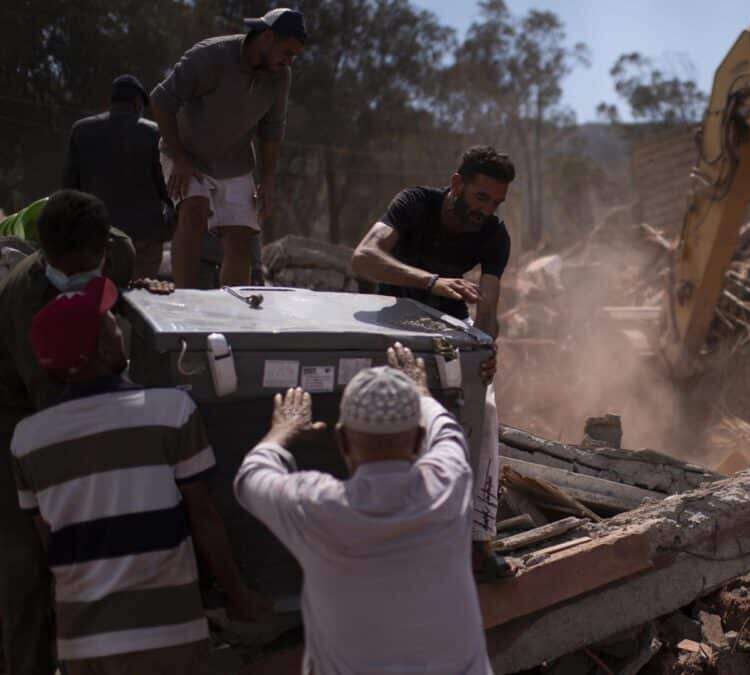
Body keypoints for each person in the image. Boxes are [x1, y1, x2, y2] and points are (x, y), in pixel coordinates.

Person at [9, 276, 264, 674]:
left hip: (83, 644)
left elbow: (51, 546)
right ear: (101, 346)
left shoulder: (27, 442)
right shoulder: (170, 412)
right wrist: (237, 594)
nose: (118, 325)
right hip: (169, 636)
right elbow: (205, 519)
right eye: (109, 320)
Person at [234, 344, 491, 674]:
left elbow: (250, 477)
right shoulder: (448, 483)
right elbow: (448, 432)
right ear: (418, 441)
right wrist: (421, 391)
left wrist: (283, 429)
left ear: (341, 442)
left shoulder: (315, 505)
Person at [0, 189, 147, 675]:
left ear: (103, 251)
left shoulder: (119, 253)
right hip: (19, 421)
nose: (74, 280)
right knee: (26, 571)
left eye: (86, 267)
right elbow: (53, 409)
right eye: (63, 269)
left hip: (85, 395)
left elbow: (123, 293)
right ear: (45, 257)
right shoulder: (26, 298)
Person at [351, 145, 514, 580]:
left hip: (445, 331)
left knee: (486, 410)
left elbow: (488, 311)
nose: (487, 210)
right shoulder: (414, 204)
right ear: (457, 184)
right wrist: (432, 282)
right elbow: (362, 257)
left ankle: (479, 541)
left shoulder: (495, 236)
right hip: (387, 322)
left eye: (496, 202)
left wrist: (485, 347)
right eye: (481, 197)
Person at [150, 8, 307, 288]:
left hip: (235, 160)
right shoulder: (211, 56)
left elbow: (271, 131)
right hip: (186, 153)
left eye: (293, 56)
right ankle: (184, 300)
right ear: (268, 37)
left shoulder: (280, 76)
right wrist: (180, 158)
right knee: (194, 212)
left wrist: (268, 180)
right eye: (286, 52)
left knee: (241, 237)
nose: (289, 61)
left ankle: (232, 311)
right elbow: (161, 100)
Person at [63, 74, 172, 279]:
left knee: (98, 295)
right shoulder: (153, 133)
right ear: (138, 102)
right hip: (145, 238)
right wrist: (168, 228)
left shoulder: (81, 131)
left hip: (95, 237)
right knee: (140, 296)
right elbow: (167, 188)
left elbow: (69, 188)